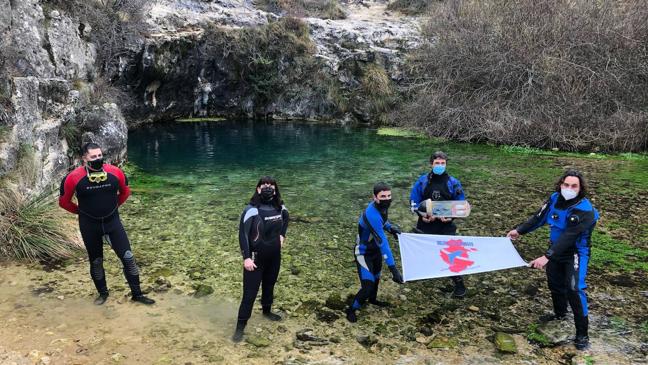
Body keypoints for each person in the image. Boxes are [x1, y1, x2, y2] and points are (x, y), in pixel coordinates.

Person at [507, 169, 599, 350]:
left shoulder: (585, 210)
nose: (569, 188)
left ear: (580, 189)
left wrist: (546, 256)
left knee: (574, 288)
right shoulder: (554, 198)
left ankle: (582, 334)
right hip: (555, 250)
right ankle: (560, 315)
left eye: (574, 186)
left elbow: (570, 236)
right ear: (560, 184)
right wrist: (519, 230)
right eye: (566, 185)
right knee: (555, 284)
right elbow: (539, 218)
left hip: (575, 253)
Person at [59, 142, 155, 305]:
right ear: (84, 158)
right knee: (96, 261)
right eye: (93, 156)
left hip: (112, 223)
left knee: (128, 258)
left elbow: (125, 193)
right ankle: (103, 294)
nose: (98, 159)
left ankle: (137, 294)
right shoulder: (73, 178)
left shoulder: (115, 172)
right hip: (89, 226)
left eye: (100, 155)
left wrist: (113, 207)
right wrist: (81, 213)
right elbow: (64, 202)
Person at [233, 176, 289, 342]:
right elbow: (242, 234)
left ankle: (266, 312)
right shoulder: (251, 210)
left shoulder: (280, 207)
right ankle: (239, 329)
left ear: (275, 189)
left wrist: (282, 236)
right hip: (255, 260)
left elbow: (286, 219)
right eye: (264, 185)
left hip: (274, 257)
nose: (268, 187)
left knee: (269, 286)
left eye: (271, 185)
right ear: (258, 189)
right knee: (249, 296)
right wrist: (246, 258)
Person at [409, 151, 467, 297]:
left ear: (446, 164)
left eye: (443, 163)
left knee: (450, 255)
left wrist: (451, 218)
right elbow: (414, 202)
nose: (440, 166)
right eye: (437, 163)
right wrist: (421, 215)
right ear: (431, 164)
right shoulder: (422, 182)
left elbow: (461, 205)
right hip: (426, 223)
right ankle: (424, 274)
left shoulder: (453, 183)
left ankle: (459, 285)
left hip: (446, 225)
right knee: (423, 251)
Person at [346, 182, 403, 323]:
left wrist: (391, 228)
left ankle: (373, 300)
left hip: (375, 251)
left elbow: (382, 221)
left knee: (376, 278)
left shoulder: (382, 208)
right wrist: (393, 269)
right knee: (368, 285)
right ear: (374, 197)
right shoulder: (371, 214)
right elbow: (383, 243)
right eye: (383, 196)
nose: (387, 199)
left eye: (389, 196)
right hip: (363, 252)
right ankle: (351, 309)